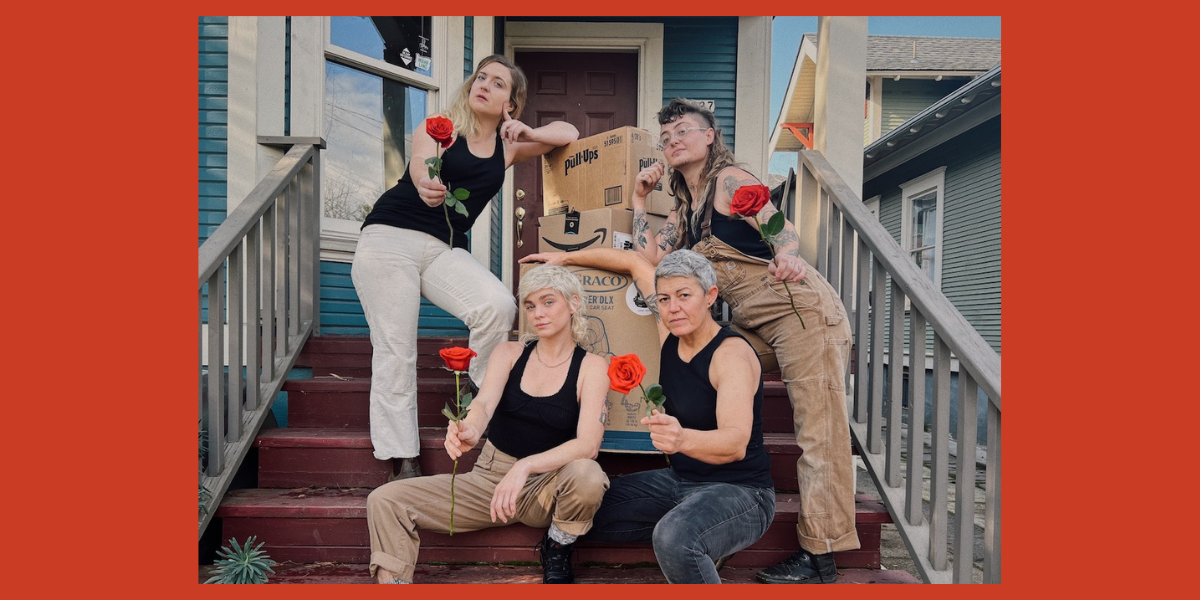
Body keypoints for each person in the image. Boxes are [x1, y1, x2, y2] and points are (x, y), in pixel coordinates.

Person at [528, 98, 858, 584]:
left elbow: (779, 228)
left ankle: (821, 555)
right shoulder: (686, 207)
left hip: (799, 312)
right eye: (665, 137)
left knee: (818, 431)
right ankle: (708, 510)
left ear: (710, 136)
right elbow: (649, 260)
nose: (672, 141)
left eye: (683, 130)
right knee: (712, 365)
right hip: (752, 322)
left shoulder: (731, 181)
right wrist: (635, 205)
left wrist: (787, 254)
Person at [351, 55, 579, 481]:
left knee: (497, 305)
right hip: (389, 238)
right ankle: (402, 457)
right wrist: (426, 183)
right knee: (396, 349)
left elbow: (568, 134)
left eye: (498, 84)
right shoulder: (441, 129)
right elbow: (421, 163)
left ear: (511, 102)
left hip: (443, 247)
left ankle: (482, 392)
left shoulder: (507, 145)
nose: (485, 86)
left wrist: (527, 130)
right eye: (481, 78)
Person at [523, 249, 776, 584]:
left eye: (685, 296)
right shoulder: (669, 333)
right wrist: (565, 259)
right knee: (583, 507)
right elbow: (633, 263)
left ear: (710, 296)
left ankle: (695, 537)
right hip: (682, 482)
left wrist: (682, 438)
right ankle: (698, 533)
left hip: (740, 491)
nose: (673, 308)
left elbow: (736, 443)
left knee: (674, 538)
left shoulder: (731, 355)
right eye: (664, 298)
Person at [366, 265, 611, 584]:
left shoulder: (592, 367)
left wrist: (524, 468)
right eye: (530, 305)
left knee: (588, 475)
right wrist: (468, 429)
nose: (538, 313)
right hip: (490, 482)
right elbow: (483, 405)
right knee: (384, 499)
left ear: (573, 303)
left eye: (548, 302)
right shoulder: (509, 353)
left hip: (547, 485)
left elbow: (588, 445)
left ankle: (558, 545)